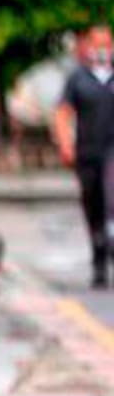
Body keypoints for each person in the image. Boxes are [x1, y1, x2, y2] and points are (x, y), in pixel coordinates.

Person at [54, 25, 114, 288]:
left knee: (112, 195)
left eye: (106, 44)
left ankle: (111, 239)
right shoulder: (78, 78)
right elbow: (63, 112)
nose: (102, 50)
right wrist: (65, 144)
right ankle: (99, 257)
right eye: (97, 44)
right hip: (88, 152)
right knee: (94, 205)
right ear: (88, 46)